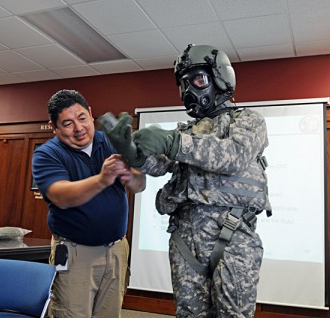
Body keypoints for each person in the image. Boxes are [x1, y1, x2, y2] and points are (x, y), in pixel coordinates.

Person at [107, 44, 272, 317]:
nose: (190, 91)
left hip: (232, 237)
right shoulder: (187, 131)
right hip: (185, 238)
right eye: (184, 84)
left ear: (220, 78)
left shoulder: (248, 121)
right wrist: (133, 154)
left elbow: (233, 155)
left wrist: (173, 142)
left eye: (198, 80)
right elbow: (159, 165)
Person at [32, 89, 146, 318]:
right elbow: (61, 196)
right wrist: (103, 179)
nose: (78, 128)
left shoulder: (111, 141)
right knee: (71, 314)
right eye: (67, 123)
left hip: (116, 250)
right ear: (54, 127)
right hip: (75, 253)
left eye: (82, 118)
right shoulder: (47, 154)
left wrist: (130, 176)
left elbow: (139, 184)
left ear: (91, 113)